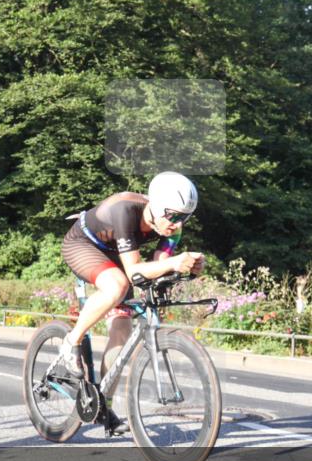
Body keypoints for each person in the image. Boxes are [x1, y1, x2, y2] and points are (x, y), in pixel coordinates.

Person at [57, 171, 205, 433]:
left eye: (184, 218)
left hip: (118, 255)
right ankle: (71, 342)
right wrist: (173, 262)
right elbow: (135, 271)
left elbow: (158, 267)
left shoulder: (173, 230)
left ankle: (103, 405)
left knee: (122, 325)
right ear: (156, 206)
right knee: (117, 285)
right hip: (82, 244)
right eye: (171, 215)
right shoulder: (125, 209)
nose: (176, 223)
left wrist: (185, 268)